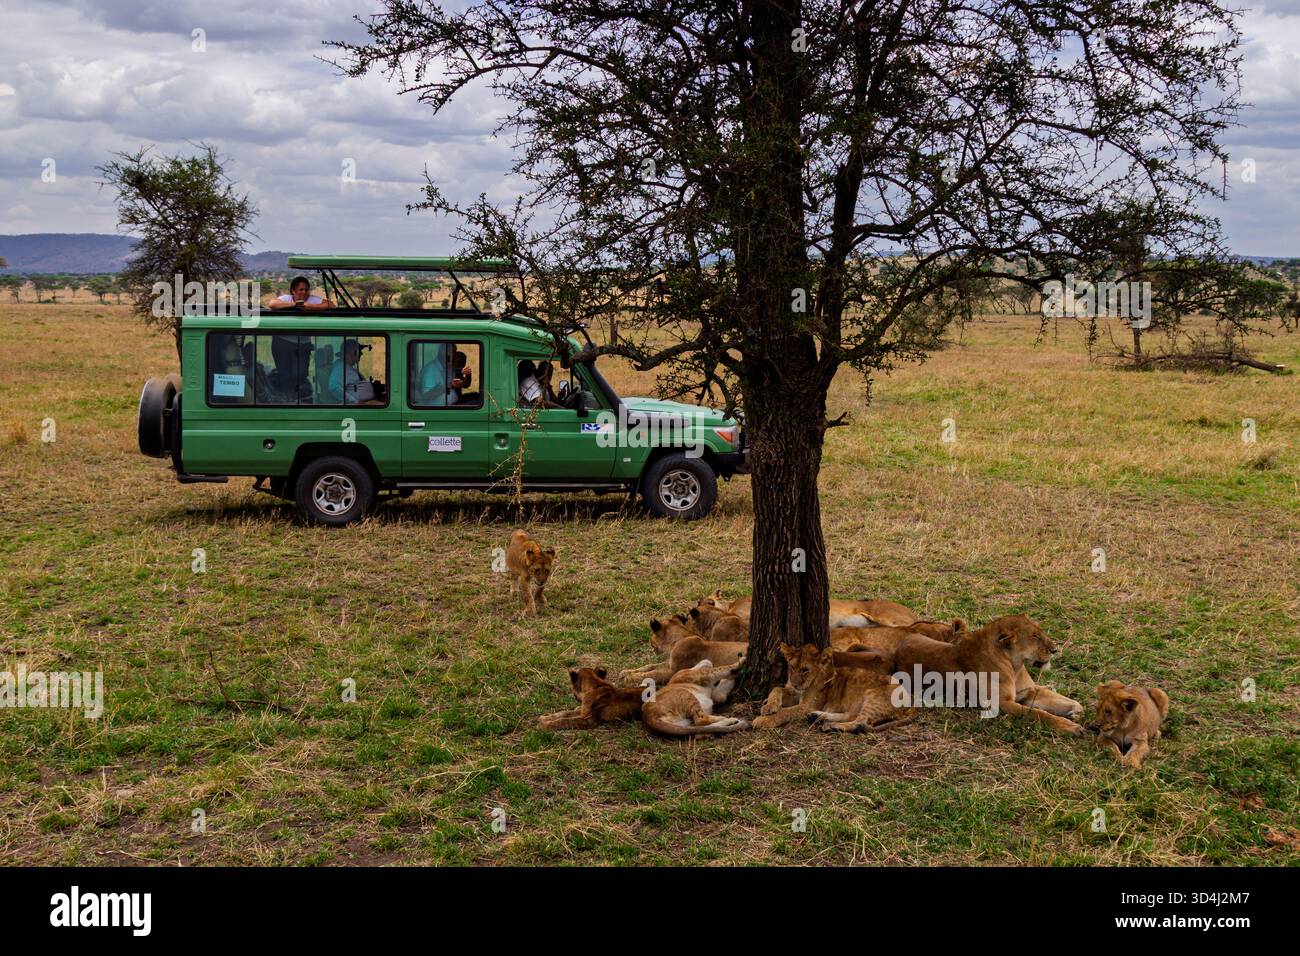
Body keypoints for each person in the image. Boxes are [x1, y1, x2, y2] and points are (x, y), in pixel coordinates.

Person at [327, 339, 376, 404]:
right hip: (358, 407)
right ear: (348, 353)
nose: (360, 354)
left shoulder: (347, 366)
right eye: (357, 351)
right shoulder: (340, 367)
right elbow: (333, 387)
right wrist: (354, 401)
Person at [268, 276, 334, 311]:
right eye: (301, 290)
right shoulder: (287, 298)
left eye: (306, 289)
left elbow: (331, 305)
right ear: (293, 291)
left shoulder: (312, 299)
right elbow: (272, 303)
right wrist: (295, 304)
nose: (304, 292)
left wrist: (311, 306)